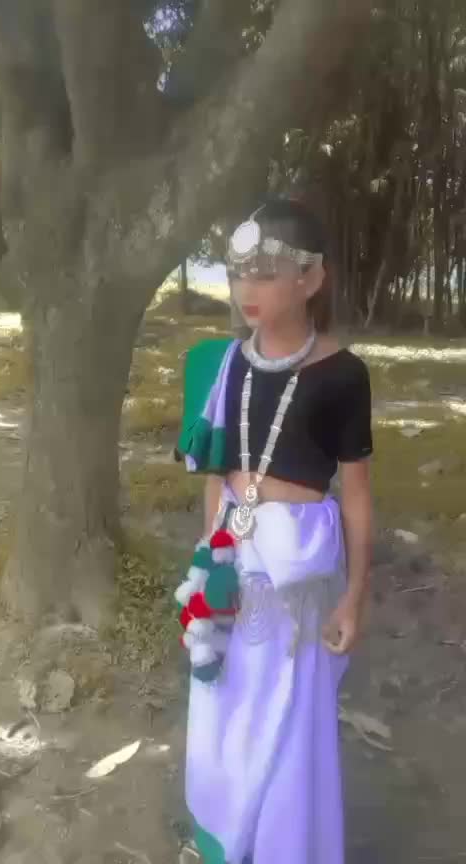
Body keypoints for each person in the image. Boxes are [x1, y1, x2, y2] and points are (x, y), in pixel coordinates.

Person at [175, 198, 373, 864]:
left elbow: (357, 496)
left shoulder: (343, 375)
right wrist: (209, 556)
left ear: (311, 279)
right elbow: (215, 474)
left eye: (265, 272)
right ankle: (228, 837)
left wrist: (354, 597)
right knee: (227, 698)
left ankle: (286, 846)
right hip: (232, 555)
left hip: (300, 573)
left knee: (290, 709)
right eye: (238, 273)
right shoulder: (224, 364)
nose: (245, 289)